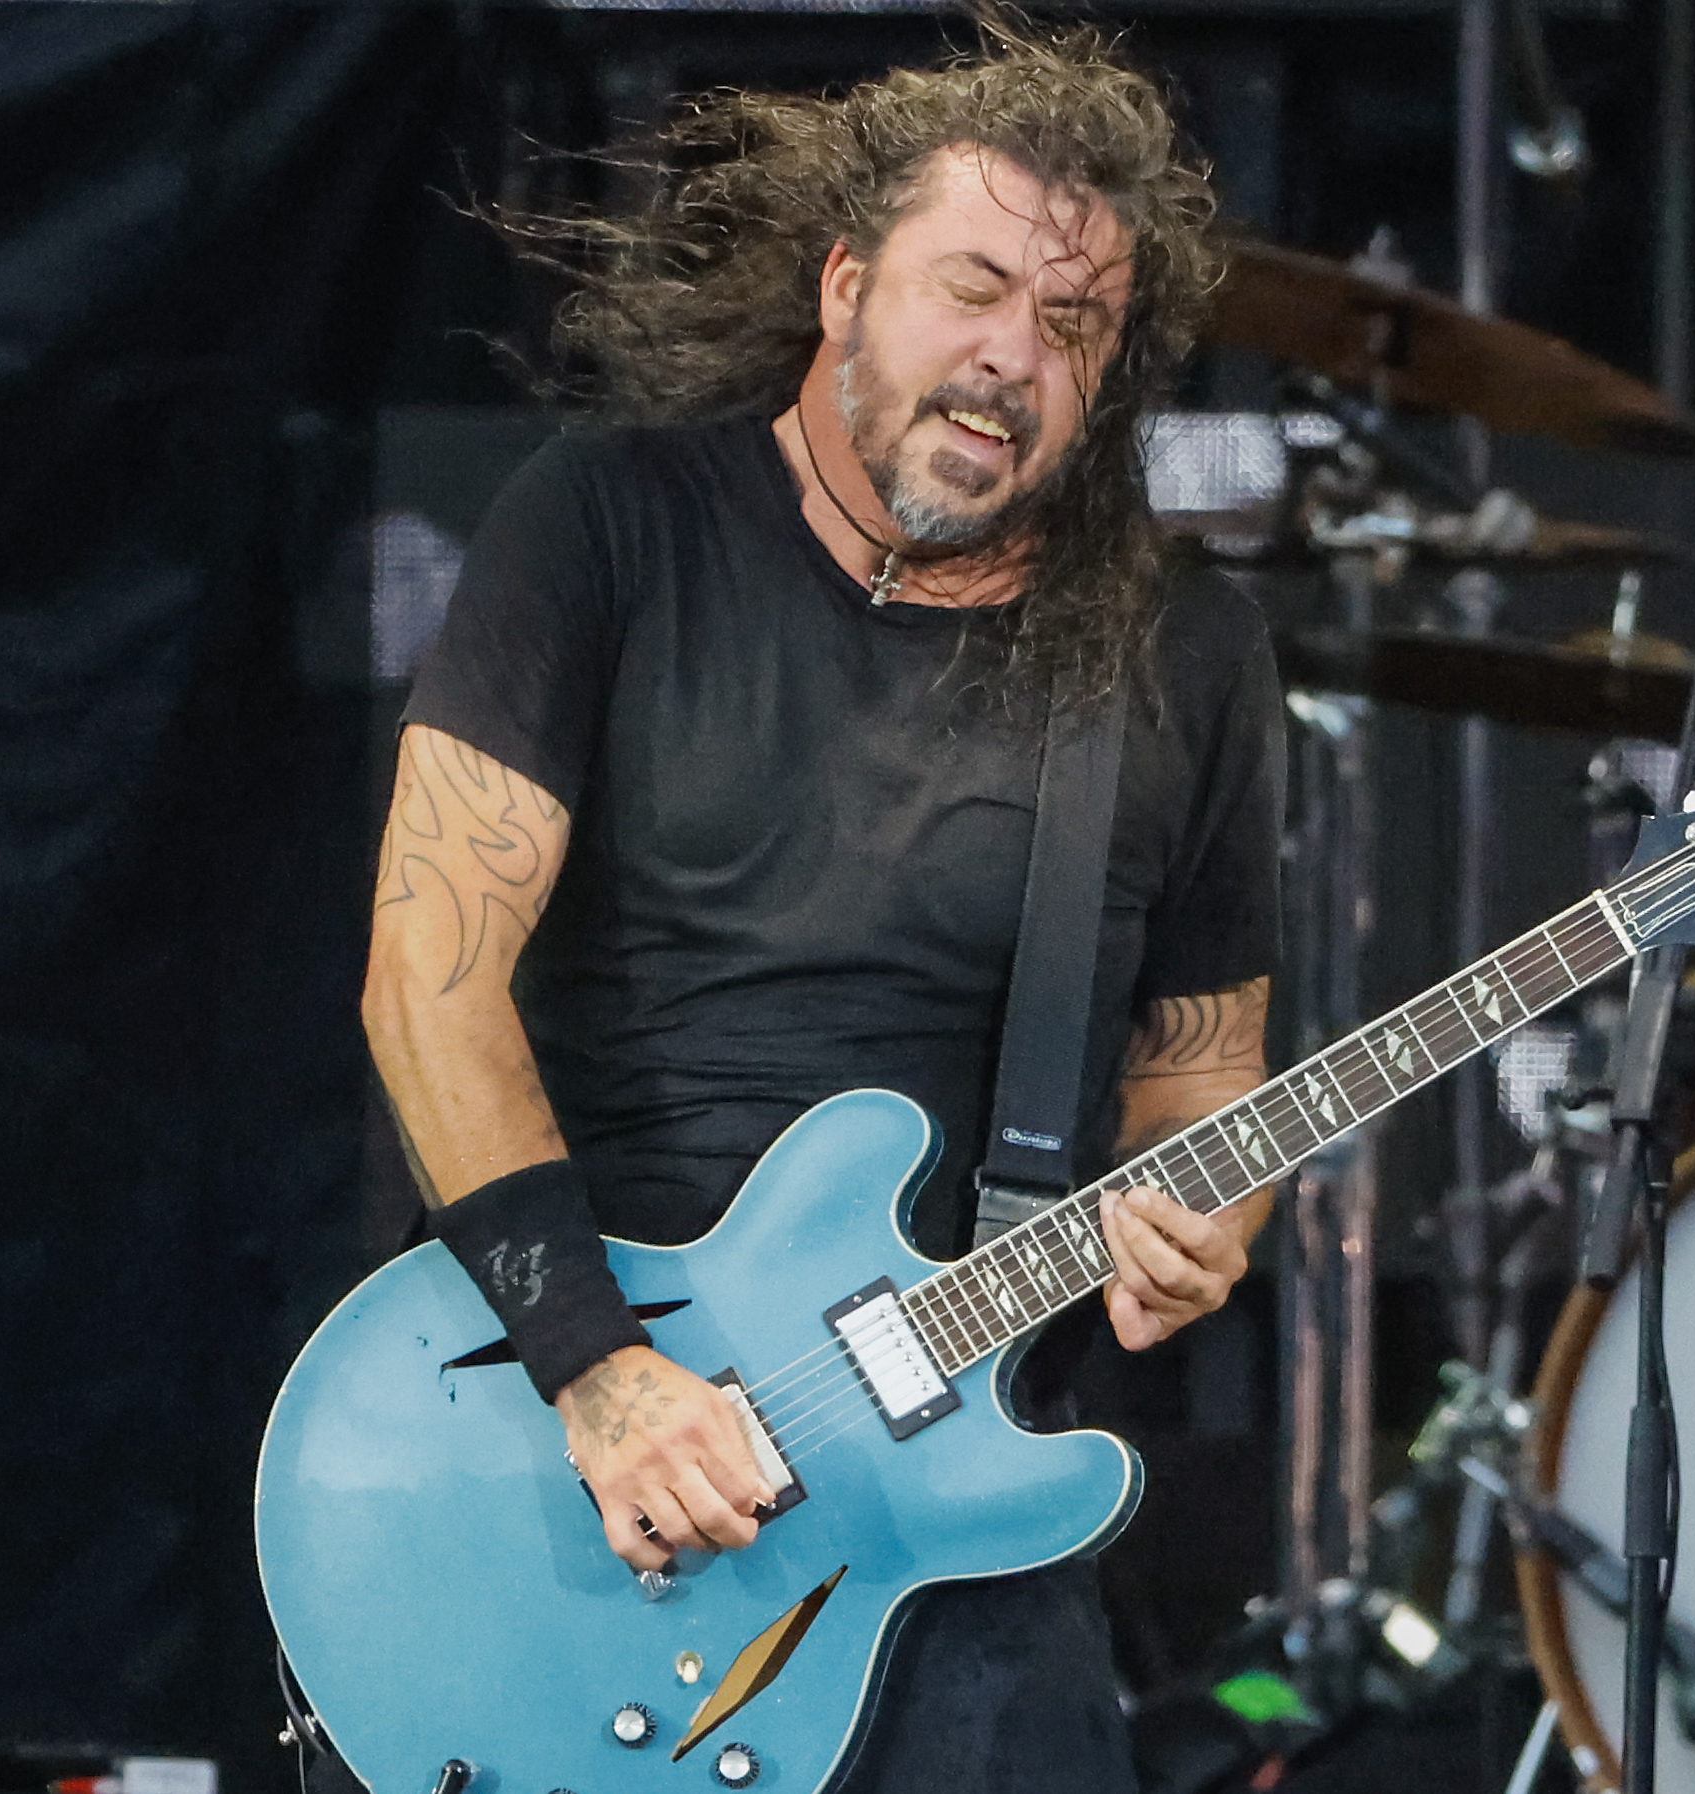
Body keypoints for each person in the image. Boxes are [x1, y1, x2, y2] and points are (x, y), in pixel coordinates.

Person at [361, 27, 1286, 1793]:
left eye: (1074, 325)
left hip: (956, 1497)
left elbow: (1206, 1070)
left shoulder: (1177, 651)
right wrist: (598, 1368)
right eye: (977, 286)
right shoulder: (607, 524)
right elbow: (427, 976)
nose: (1015, 355)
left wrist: (1211, 1206)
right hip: (569, 1451)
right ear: (848, 283)